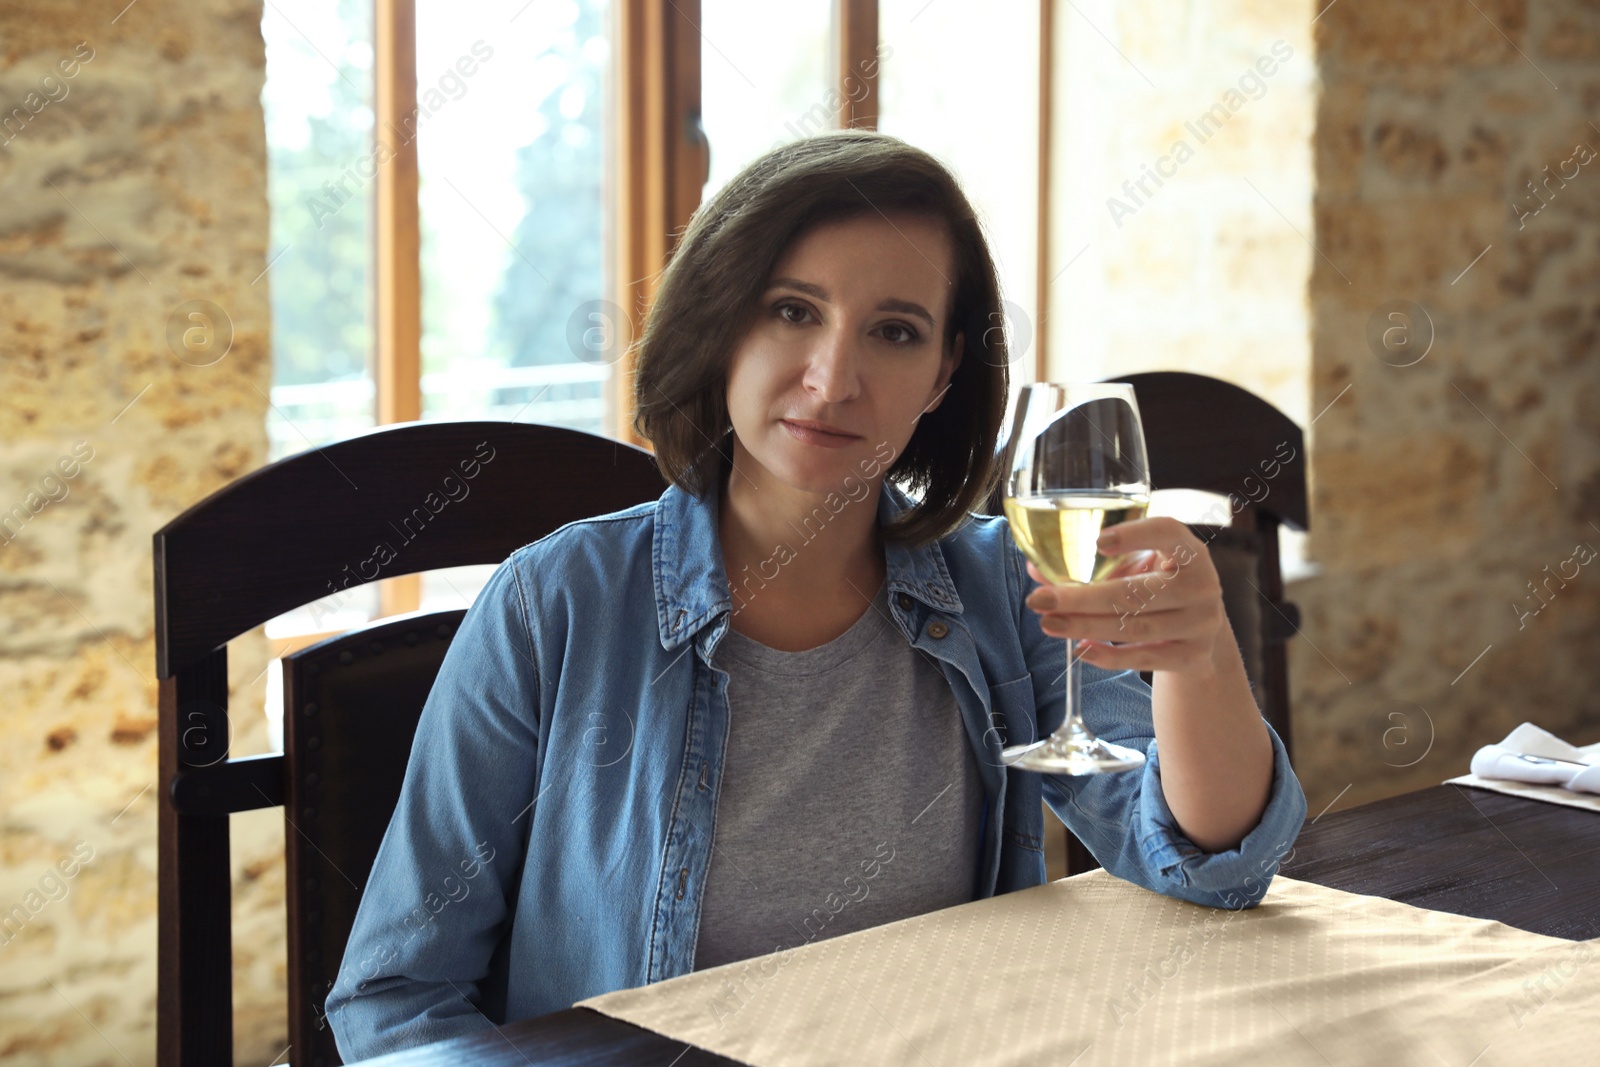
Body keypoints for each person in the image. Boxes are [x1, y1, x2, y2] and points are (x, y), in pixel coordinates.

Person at [325, 130, 1306, 1058]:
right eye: (792, 309)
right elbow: (395, 995)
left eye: (893, 330)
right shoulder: (555, 602)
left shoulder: (1006, 585)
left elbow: (1215, 871)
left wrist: (1202, 653)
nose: (833, 377)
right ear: (720, 323)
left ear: (941, 373)